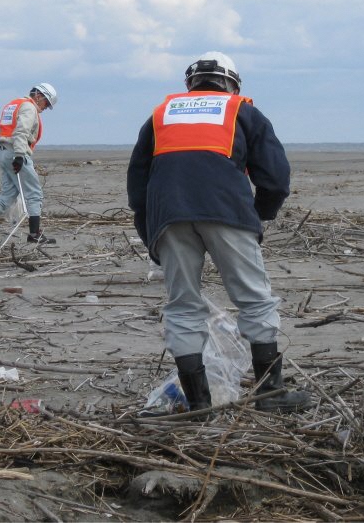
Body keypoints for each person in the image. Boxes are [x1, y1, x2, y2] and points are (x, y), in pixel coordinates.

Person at [127, 51, 311, 415]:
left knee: (182, 307)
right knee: (255, 301)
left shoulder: (161, 116)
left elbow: (138, 183)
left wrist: (151, 234)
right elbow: (275, 178)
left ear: (190, 84)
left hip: (169, 216)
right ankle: (270, 395)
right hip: (228, 212)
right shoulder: (243, 111)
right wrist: (257, 217)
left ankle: (198, 404)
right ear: (233, 83)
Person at [0, 83, 58, 244]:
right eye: (47, 103)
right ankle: (34, 234)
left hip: (4, 152)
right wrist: (18, 155)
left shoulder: (12, 105)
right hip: (16, 153)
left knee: (8, 194)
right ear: (39, 96)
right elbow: (21, 132)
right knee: (34, 193)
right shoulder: (29, 107)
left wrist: (7, 151)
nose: (46, 108)